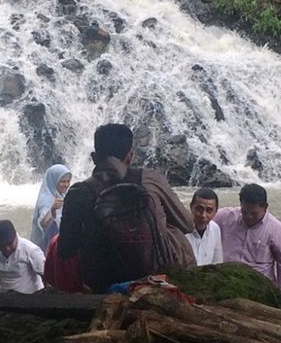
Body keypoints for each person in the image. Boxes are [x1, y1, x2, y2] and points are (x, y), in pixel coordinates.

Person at [58, 123, 196, 293]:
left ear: (94, 157)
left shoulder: (79, 192)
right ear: (130, 157)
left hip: (104, 283)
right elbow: (188, 224)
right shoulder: (149, 178)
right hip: (156, 276)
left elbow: (65, 250)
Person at [214, 183, 281, 299]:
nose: (249, 216)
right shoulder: (225, 217)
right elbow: (202, 221)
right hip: (226, 284)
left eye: (254, 213)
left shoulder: (277, 230)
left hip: (259, 290)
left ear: (265, 207)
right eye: (245, 212)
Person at [29, 164, 72, 251]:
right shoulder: (45, 200)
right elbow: (42, 223)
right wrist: (52, 210)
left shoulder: (62, 195)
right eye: (62, 181)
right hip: (45, 248)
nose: (66, 184)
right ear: (53, 181)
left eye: (68, 181)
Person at [185, 187, 223, 265]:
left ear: (215, 212)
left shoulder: (215, 229)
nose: (203, 215)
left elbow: (217, 263)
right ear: (191, 207)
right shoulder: (180, 230)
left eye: (209, 210)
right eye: (199, 209)